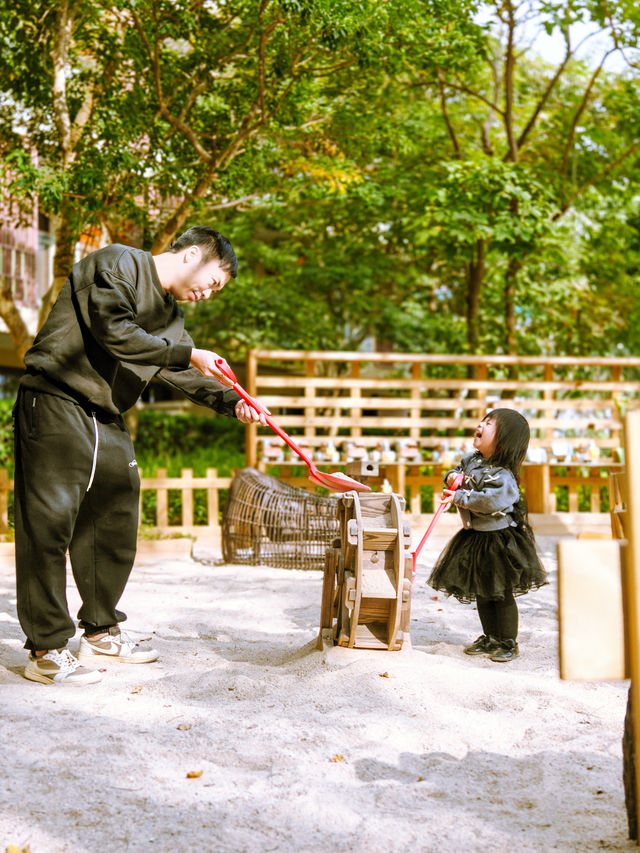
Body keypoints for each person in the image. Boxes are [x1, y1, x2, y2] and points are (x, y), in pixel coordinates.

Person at [13, 225, 268, 685]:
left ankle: (100, 630)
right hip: (55, 399)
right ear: (192, 255)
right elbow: (117, 333)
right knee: (48, 523)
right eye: (212, 282)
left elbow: (170, 367)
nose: (208, 295)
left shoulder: (169, 316)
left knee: (113, 518)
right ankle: (46, 648)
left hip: (104, 413)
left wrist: (233, 402)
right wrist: (190, 353)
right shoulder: (117, 263)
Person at [427, 408, 547, 663]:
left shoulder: (503, 475)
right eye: (482, 420)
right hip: (476, 538)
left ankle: (507, 641)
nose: (480, 425)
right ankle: (490, 636)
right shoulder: (472, 460)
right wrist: (451, 478)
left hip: (499, 541)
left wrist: (459, 496)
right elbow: (456, 472)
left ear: (503, 440)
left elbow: (492, 501)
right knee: (483, 591)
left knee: (501, 592)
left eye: (489, 423)